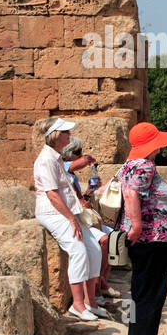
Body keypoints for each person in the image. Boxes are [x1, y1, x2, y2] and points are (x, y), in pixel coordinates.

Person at [117, 122, 167, 335]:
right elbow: (132, 194)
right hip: (152, 238)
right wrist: (137, 226)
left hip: (146, 240)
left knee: (140, 293)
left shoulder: (130, 164)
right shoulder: (144, 165)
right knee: (152, 295)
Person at [33, 118, 108, 322]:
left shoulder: (55, 157)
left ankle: (91, 302)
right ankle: (77, 304)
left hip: (67, 211)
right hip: (53, 213)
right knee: (78, 249)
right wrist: (71, 219)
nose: (69, 135)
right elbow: (52, 194)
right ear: (57, 136)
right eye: (66, 132)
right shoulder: (46, 160)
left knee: (92, 248)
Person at [61, 136, 117, 306]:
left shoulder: (72, 175)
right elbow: (75, 165)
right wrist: (88, 159)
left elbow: (80, 199)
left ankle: (102, 281)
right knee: (104, 241)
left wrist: (89, 192)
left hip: (84, 215)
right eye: (77, 152)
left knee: (115, 238)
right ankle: (95, 290)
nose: (80, 155)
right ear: (68, 154)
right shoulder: (62, 167)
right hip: (74, 219)